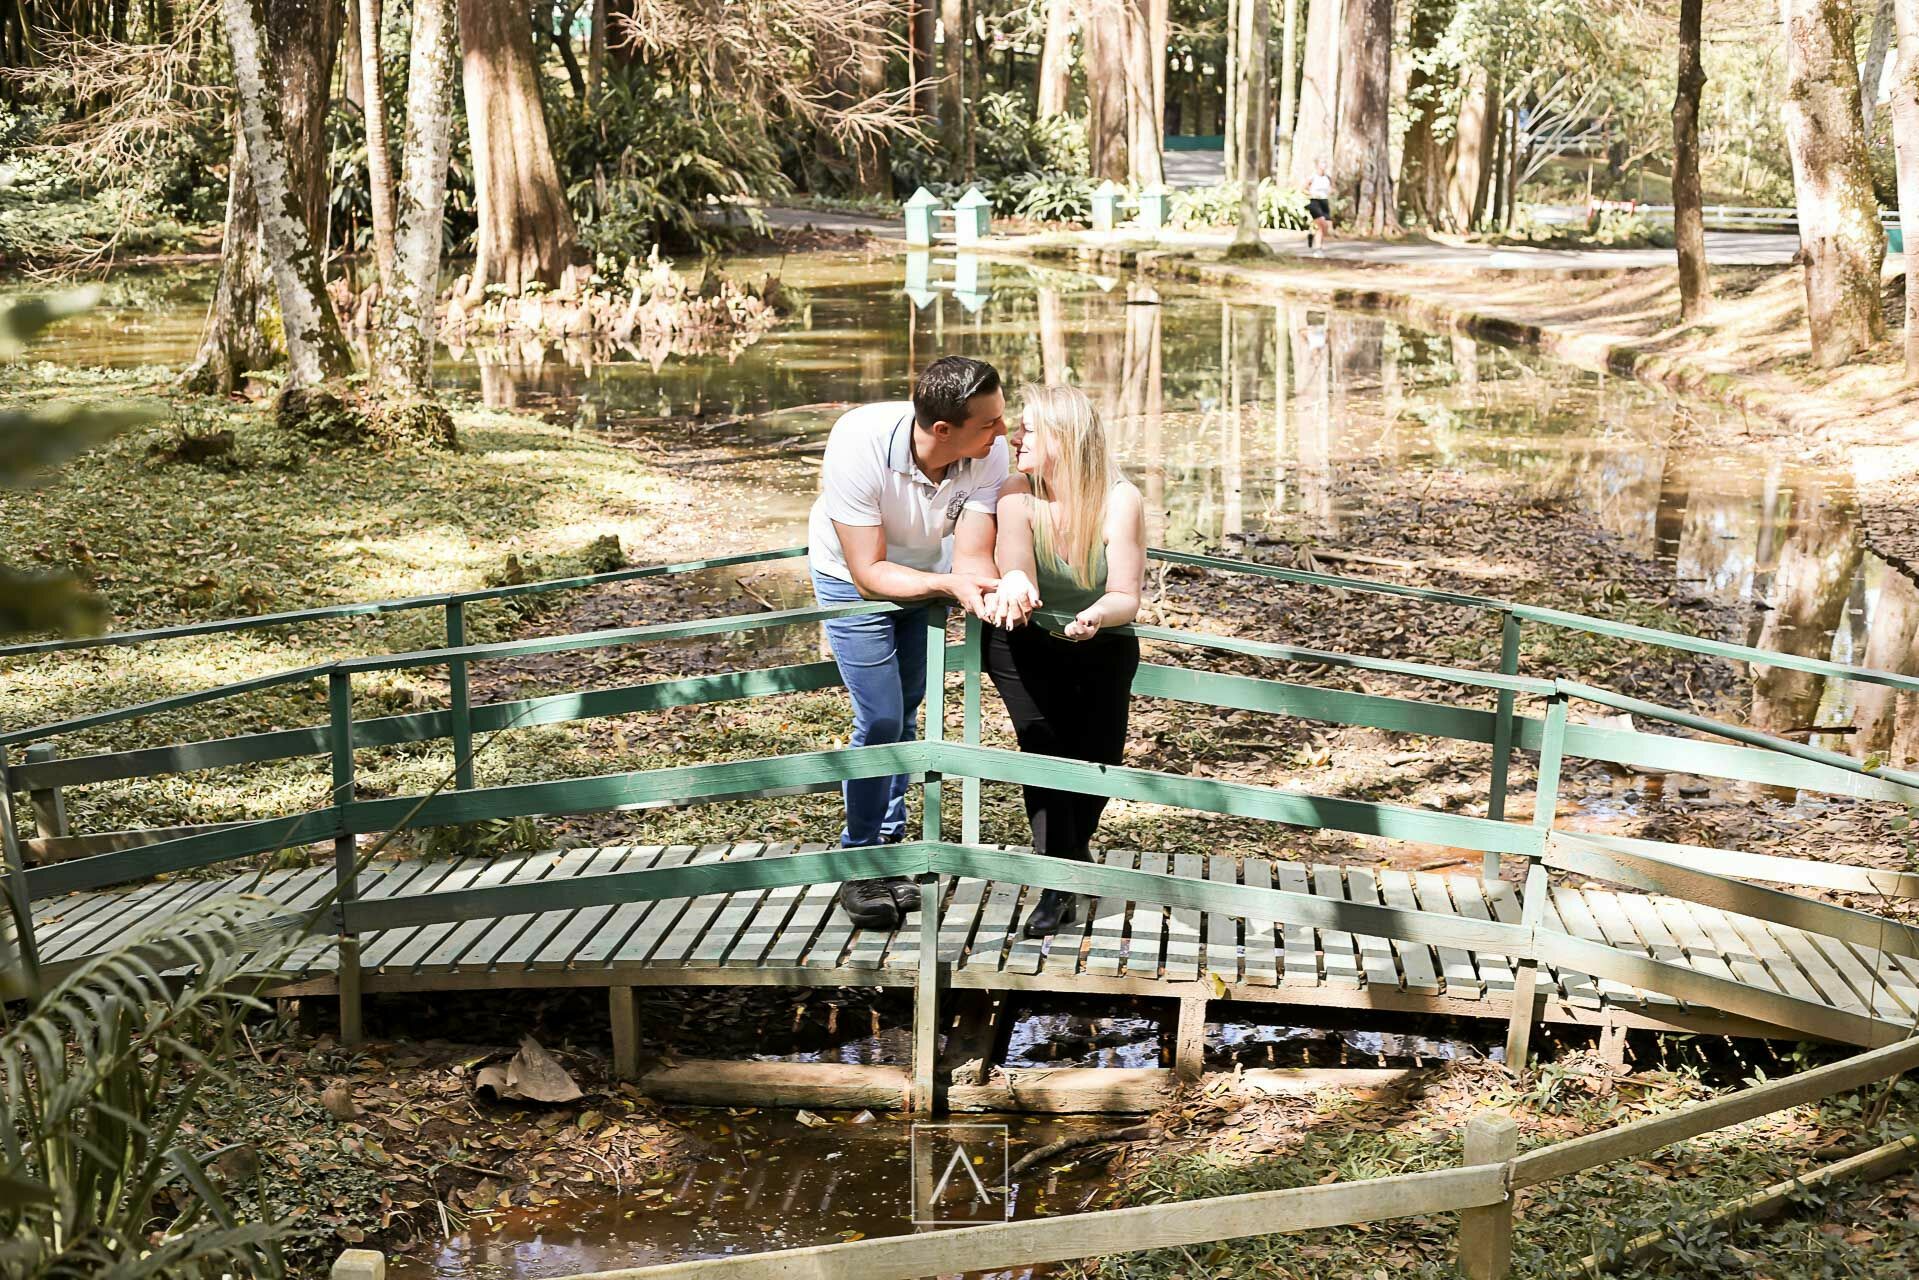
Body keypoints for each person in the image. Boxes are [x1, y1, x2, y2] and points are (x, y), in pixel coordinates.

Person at [810, 356, 1026, 929]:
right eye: (990, 423)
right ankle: (859, 862)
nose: (1004, 432)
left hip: (930, 572)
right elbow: (867, 571)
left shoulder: (985, 450)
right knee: (879, 717)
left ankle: (892, 849)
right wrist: (949, 583)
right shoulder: (858, 441)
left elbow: (975, 553)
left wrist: (988, 586)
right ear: (941, 430)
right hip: (855, 578)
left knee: (906, 710)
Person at [981, 385, 1145, 938]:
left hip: (1102, 642)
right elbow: (1015, 564)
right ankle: (1057, 886)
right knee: (1044, 752)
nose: (1014, 436)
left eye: (1029, 428)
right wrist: (1016, 580)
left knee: (1100, 761)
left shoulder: (1120, 499)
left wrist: (1098, 614)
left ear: (1066, 439)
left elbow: (1127, 593)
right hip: (1022, 640)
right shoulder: (1015, 492)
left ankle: (1071, 857)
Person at [1306, 160, 1334, 252]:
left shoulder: (1328, 178)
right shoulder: (1313, 177)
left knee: (1326, 228)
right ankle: (1318, 248)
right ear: (1317, 168)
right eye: (1321, 168)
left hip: (1324, 202)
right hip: (1315, 202)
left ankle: (1313, 235)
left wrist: (1330, 192)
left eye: (1324, 168)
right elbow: (1304, 189)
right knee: (1322, 224)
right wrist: (1312, 194)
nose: (1322, 170)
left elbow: (1332, 189)